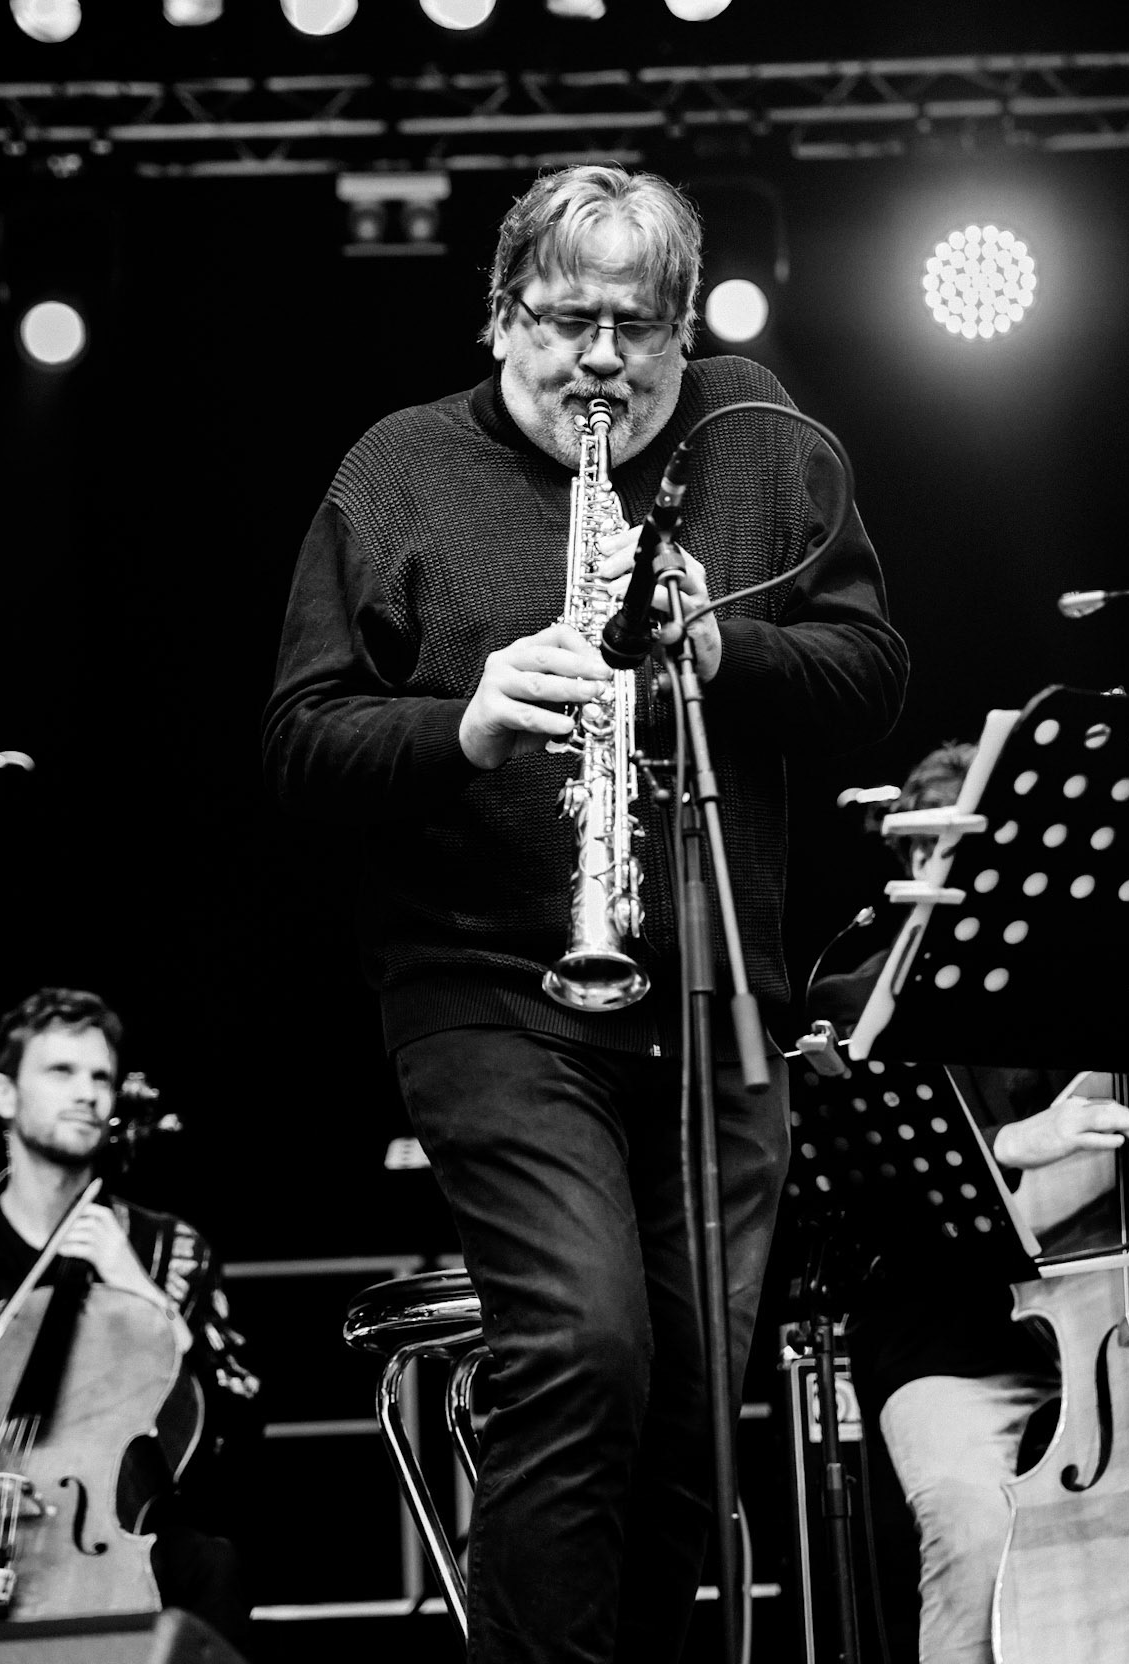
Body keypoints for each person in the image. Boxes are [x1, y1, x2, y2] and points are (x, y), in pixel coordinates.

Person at [262, 163, 908, 1663]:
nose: (602, 362)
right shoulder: (400, 471)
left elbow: (874, 680)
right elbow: (298, 744)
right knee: (581, 1345)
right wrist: (465, 724)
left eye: (639, 327)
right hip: (485, 987)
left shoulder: (763, 438)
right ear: (501, 319)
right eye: (565, 323)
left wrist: (722, 650)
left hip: (715, 992)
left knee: (690, 1403)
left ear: (689, 330)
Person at [808, 741, 1129, 1664]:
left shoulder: (1081, 987)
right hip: (945, 1340)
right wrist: (1009, 1143)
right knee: (972, 1529)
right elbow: (865, 1187)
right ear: (917, 858)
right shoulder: (854, 1001)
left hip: (1124, 1336)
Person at [0, 987, 259, 1642]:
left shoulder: (170, 1251)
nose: (86, 1092)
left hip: (104, 1533)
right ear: (4, 1095)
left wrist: (139, 1289)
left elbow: (235, 1429)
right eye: (60, 1071)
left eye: (100, 1077)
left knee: (211, 1564)